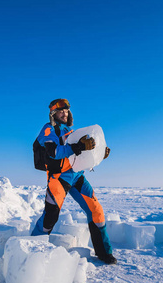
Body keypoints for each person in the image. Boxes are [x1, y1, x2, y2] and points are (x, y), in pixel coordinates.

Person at [31, 98, 117, 265]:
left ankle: (104, 253)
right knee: (50, 218)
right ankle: (30, 252)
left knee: (96, 211)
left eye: (66, 110)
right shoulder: (49, 129)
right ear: (53, 114)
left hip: (77, 176)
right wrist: (79, 147)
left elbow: (82, 156)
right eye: (60, 111)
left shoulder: (70, 132)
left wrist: (98, 153)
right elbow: (53, 152)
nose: (65, 113)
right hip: (58, 178)